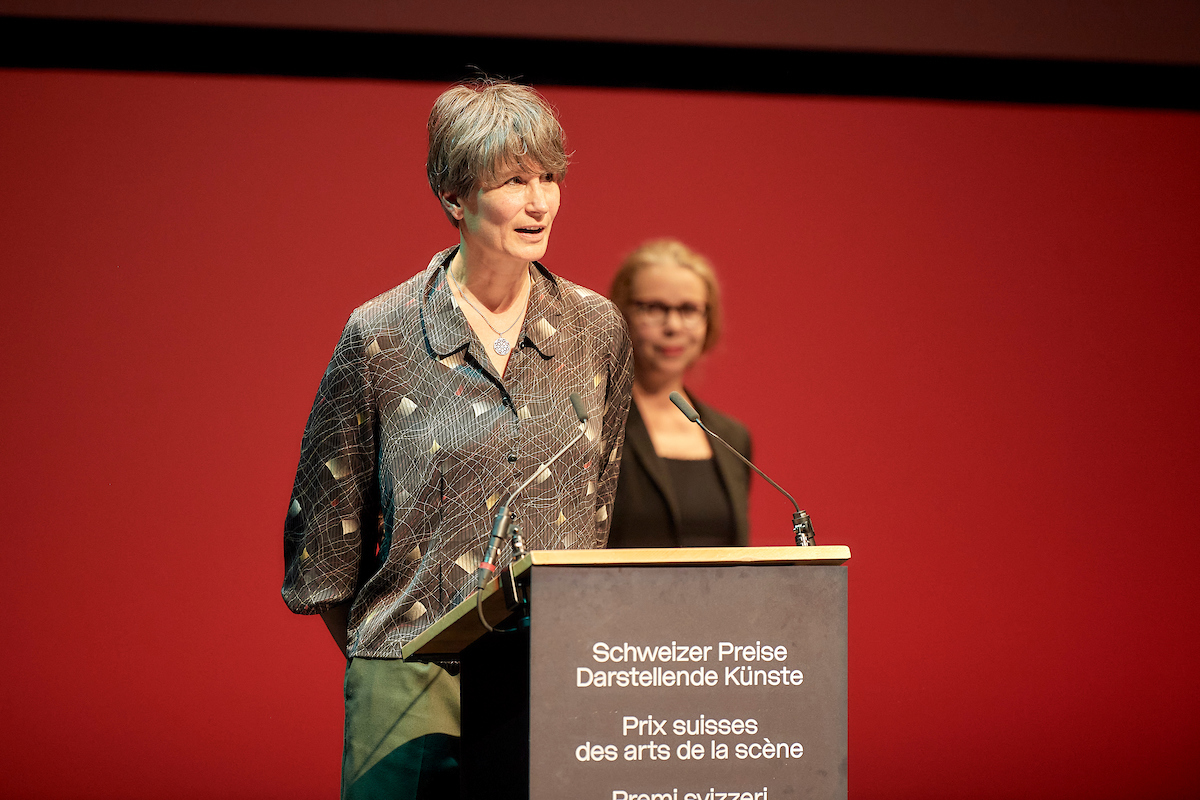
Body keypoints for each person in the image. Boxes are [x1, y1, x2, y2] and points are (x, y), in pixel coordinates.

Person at [281, 79, 634, 799]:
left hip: (552, 674)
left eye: (549, 178)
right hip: (409, 682)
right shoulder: (381, 335)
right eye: (513, 182)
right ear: (454, 197)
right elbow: (323, 538)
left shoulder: (596, 330)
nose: (539, 203)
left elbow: (597, 510)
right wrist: (394, 655)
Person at [606, 239, 751, 548]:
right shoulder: (596, 424)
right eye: (654, 308)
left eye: (688, 310)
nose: (672, 326)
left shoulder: (732, 438)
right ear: (620, 313)